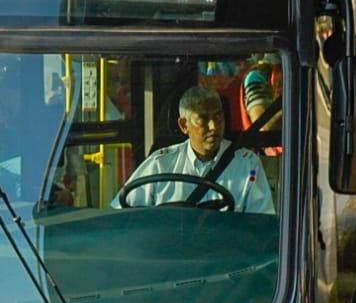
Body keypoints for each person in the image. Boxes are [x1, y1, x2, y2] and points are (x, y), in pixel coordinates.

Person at [112, 86, 274, 214]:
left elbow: (261, 224)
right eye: (203, 119)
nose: (214, 126)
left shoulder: (246, 165)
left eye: (218, 117)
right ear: (184, 125)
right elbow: (121, 213)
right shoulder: (160, 165)